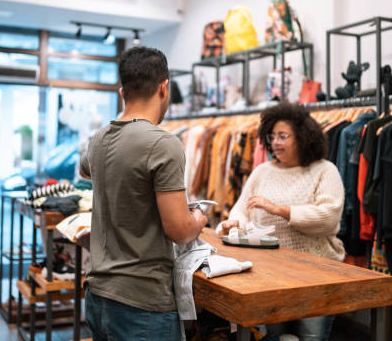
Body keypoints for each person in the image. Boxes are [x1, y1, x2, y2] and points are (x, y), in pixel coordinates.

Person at [85, 46, 208, 341]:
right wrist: (200, 218)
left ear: (121, 91)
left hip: (98, 296)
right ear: (164, 88)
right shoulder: (162, 144)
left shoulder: (98, 139)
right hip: (142, 303)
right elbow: (179, 230)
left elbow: (86, 170)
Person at [216, 102, 345, 341]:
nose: (275, 142)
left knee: (312, 337)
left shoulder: (325, 171)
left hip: (316, 277)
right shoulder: (262, 171)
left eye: (283, 136)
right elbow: (242, 209)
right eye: (272, 136)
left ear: (303, 137)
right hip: (269, 276)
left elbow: (328, 217)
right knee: (274, 337)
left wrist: (280, 210)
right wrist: (233, 223)